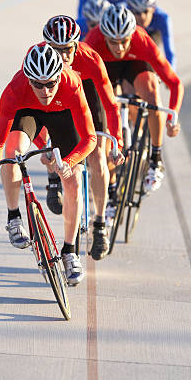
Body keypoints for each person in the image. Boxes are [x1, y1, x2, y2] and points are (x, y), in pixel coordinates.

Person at [0, 43, 97, 285]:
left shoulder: (71, 84)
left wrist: (69, 161)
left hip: (63, 113)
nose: (45, 91)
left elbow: (90, 138)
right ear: (27, 78)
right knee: (13, 152)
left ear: (59, 76)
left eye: (51, 84)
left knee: (73, 179)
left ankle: (70, 251)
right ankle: (14, 217)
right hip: (28, 111)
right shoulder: (15, 89)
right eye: (38, 84)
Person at [41, 15, 125, 260]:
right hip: (62, 94)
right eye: (57, 50)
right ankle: (54, 181)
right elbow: (36, 107)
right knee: (59, 146)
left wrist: (116, 140)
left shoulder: (90, 59)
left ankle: (100, 223)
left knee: (97, 153)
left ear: (76, 44)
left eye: (68, 49)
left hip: (89, 96)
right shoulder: (43, 61)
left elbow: (110, 104)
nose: (63, 55)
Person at [84, 3, 183, 198]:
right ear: (104, 36)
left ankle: (156, 158)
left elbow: (175, 83)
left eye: (124, 41)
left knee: (151, 90)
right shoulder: (93, 41)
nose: (119, 47)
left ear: (132, 35)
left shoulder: (141, 39)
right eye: (113, 41)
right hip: (105, 69)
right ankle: (110, 190)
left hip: (134, 64)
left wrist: (173, 116)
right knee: (101, 128)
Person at [127, 0, 176, 70]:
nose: (142, 17)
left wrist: (171, 77)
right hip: (133, 34)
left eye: (145, 11)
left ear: (153, 9)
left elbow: (169, 52)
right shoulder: (126, 16)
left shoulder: (163, 19)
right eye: (137, 12)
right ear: (130, 11)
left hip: (153, 35)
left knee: (150, 56)